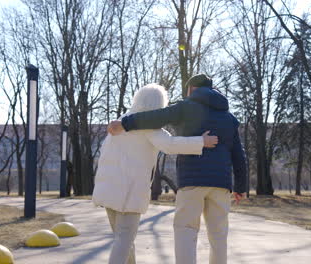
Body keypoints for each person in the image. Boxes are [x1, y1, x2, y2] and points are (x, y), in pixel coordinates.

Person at [107, 74, 247, 264]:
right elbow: (239, 155)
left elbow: (155, 117)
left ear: (191, 89)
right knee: (219, 236)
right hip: (221, 184)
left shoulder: (186, 107)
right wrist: (240, 186)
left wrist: (125, 123)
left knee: (186, 231)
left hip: (191, 182)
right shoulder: (229, 118)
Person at [92, 83, 219, 264]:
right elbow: (170, 145)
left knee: (123, 239)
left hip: (108, 190)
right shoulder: (147, 127)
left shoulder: (121, 121)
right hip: (129, 192)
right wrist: (201, 141)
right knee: (124, 240)